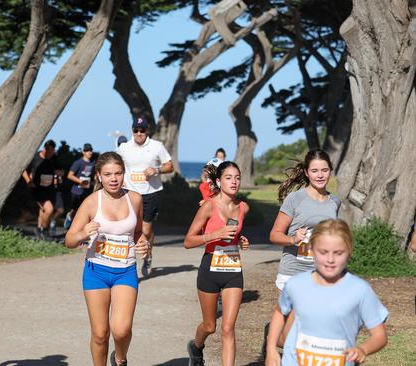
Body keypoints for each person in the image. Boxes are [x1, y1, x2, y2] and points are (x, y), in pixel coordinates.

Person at [64, 152, 150, 366]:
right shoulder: (91, 202)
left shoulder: (135, 199)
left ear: (124, 174)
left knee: (121, 330)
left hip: (125, 271)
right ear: (99, 177)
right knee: (100, 333)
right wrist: (83, 233)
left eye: (118, 173)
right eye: (108, 174)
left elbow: (138, 231)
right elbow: (69, 240)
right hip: (96, 272)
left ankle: (120, 359)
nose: (114, 178)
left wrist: (143, 242)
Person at [265, 219, 388, 366]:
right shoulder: (296, 284)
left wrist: (363, 349)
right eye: (323, 252)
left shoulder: (360, 290)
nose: (330, 259)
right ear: (311, 249)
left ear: (349, 251)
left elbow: (379, 335)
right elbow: (280, 312)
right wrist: (271, 348)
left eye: (338, 253)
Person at [266, 149, 341, 351]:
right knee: (290, 336)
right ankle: (274, 344)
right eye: (315, 170)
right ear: (307, 173)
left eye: (324, 170)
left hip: (320, 276)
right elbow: (274, 235)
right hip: (292, 273)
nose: (320, 175)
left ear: (330, 171)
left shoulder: (335, 202)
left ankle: (281, 348)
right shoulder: (295, 199)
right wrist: (293, 238)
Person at [184, 161, 250, 366]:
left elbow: (233, 234)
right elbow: (188, 241)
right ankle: (196, 346)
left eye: (237, 177)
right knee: (210, 326)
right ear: (219, 181)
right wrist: (215, 235)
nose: (234, 182)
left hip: (232, 269)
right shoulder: (208, 207)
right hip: (210, 268)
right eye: (229, 178)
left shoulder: (243, 207)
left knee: (228, 328)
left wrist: (240, 239)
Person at [117, 117, 173, 276]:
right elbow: (115, 164)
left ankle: (148, 256)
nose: (139, 133)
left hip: (150, 193)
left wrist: (157, 170)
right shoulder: (124, 147)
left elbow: (170, 166)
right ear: (132, 130)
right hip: (129, 193)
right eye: (136, 130)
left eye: (142, 130)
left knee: (146, 231)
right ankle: (129, 262)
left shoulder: (157, 146)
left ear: (147, 131)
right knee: (130, 228)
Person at [22, 139, 63, 239]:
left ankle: (39, 230)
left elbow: (60, 171)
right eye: (48, 151)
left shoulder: (54, 158)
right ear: (45, 149)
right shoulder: (35, 157)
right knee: (49, 209)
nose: (50, 154)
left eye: (52, 152)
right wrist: (28, 181)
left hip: (50, 189)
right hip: (37, 188)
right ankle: (45, 231)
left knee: (43, 210)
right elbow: (23, 170)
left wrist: (60, 174)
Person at [65, 143, 96, 230]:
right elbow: (69, 175)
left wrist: (96, 179)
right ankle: (69, 218)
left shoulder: (92, 163)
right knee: (75, 210)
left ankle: (79, 229)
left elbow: (92, 176)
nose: (89, 152)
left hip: (87, 191)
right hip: (76, 191)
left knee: (84, 211)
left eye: (90, 150)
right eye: (87, 150)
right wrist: (81, 182)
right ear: (83, 152)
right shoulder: (78, 163)